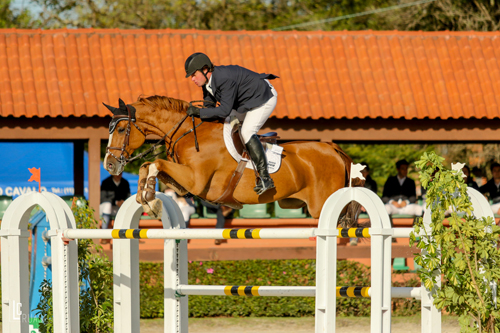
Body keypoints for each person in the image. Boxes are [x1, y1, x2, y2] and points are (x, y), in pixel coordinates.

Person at [184, 52, 279, 195]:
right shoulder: (207, 82)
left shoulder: (224, 79)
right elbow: (209, 108)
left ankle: (265, 178)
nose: (192, 79)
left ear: (205, 70)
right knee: (226, 126)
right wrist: (200, 116)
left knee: (247, 132)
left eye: (194, 75)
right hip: (244, 102)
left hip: (262, 98)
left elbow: (223, 110)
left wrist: (199, 113)